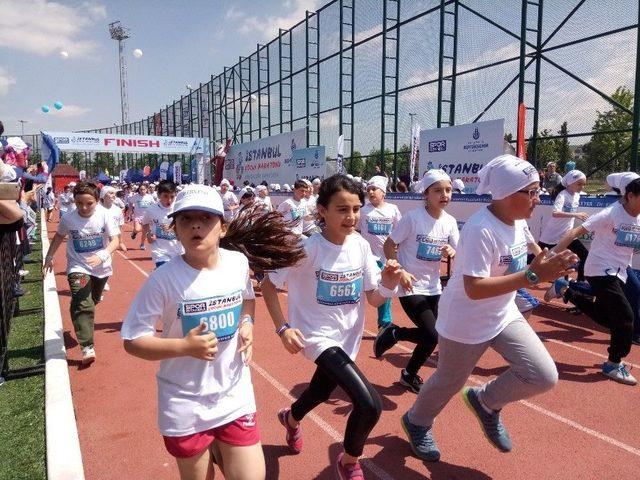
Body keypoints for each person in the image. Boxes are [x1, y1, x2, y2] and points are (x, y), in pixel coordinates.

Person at [400, 155, 578, 462]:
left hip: (502, 313)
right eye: (532, 192)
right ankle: (416, 422)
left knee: (543, 375)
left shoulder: (518, 221)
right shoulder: (481, 229)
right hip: (465, 320)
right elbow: (474, 287)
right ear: (509, 194)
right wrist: (534, 276)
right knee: (448, 381)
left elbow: (534, 254)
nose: (538, 198)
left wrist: (551, 264)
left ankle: (486, 402)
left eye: (538, 191)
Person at [120, 184, 304, 480]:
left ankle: (222, 448)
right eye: (186, 219)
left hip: (234, 394)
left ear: (222, 228)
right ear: (175, 229)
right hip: (185, 403)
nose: (196, 224)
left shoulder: (237, 263)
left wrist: (247, 325)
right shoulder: (162, 281)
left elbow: (247, 299)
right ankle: (216, 449)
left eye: (206, 218)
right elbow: (132, 340)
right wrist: (184, 347)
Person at [261, 174, 404, 480]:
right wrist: (283, 328)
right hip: (316, 337)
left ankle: (291, 418)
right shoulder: (307, 248)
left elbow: (375, 299)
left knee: (319, 391)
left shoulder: (362, 247)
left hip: (347, 338)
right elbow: (269, 284)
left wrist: (389, 284)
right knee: (369, 405)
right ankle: (349, 461)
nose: (351, 216)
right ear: (322, 210)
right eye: (342, 209)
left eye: (355, 209)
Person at [545, 173, 640, 386]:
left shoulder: (638, 217)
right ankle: (613, 364)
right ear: (631, 196)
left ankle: (566, 290)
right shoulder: (611, 214)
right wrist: (549, 258)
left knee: (609, 319)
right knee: (625, 318)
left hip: (620, 271)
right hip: (599, 269)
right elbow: (573, 234)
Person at [376, 170, 459, 393]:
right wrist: (399, 270)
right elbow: (389, 245)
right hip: (410, 285)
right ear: (426, 193)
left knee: (437, 334)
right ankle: (397, 337)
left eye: (448, 190)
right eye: (438, 190)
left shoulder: (450, 222)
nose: (444, 195)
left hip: (434, 286)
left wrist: (453, 250)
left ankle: (407, 369)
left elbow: (459, 251)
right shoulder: (413, 218)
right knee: (432, 334)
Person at [43, 182, 120, 364]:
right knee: (83, 303)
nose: (84, 208)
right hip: (78, 266)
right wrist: (49, 256)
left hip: (101, 267)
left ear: (96, 201)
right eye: (79, 203)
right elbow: (59, 236)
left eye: (89, 203)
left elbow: (115, 240)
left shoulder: (105, 215)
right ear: (74, 201)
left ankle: (78, 309)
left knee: (90, 301)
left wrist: (102, 255)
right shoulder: (68, 218)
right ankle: (87, 347)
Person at [358, 175, 402, 331]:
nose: (370, 192)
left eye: (374, 189)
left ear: (383, 192)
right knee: (361, 289)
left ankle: (384, 323)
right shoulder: (363, 211)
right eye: (368, 189)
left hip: (386, 258)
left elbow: (400, 232)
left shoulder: (393, 209)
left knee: (385, 289)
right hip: (367, 257)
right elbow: (354, 229)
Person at [538, 169, 589, 281]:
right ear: (570, 183)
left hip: (568, 235)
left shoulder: (577, 195)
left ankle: (579, 283)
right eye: (579, 184)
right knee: (537, 258)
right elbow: (555, 213)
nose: (582, 187)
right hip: (552, 235)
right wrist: (576, 214)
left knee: (585, 255)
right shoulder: (562, 195)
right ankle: (517, 277)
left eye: (584, 184)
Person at [142, 180, 182, 269]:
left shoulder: (179, 209)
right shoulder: (151, 210)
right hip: (160, 252)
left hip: (179, 251)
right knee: (167, 274)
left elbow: (187, 228)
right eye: (166, 196)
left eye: (172, 197)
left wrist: (173, 229)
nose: (169, 200)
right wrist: (148, 235)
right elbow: (145, 224)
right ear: (159, 195)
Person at [130, 184, 154, 250]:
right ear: (139, 190)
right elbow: (130, 203)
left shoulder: (150, 197)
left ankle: (142, 244)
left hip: (147, 217)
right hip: (137, 216)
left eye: (144, 189)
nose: (142, 191)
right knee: (137, 229)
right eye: (141, 189)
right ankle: (134, 232)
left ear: (146, 190)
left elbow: (153, 205)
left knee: (144, 232)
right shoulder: (135, 196)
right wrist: (130, 212)